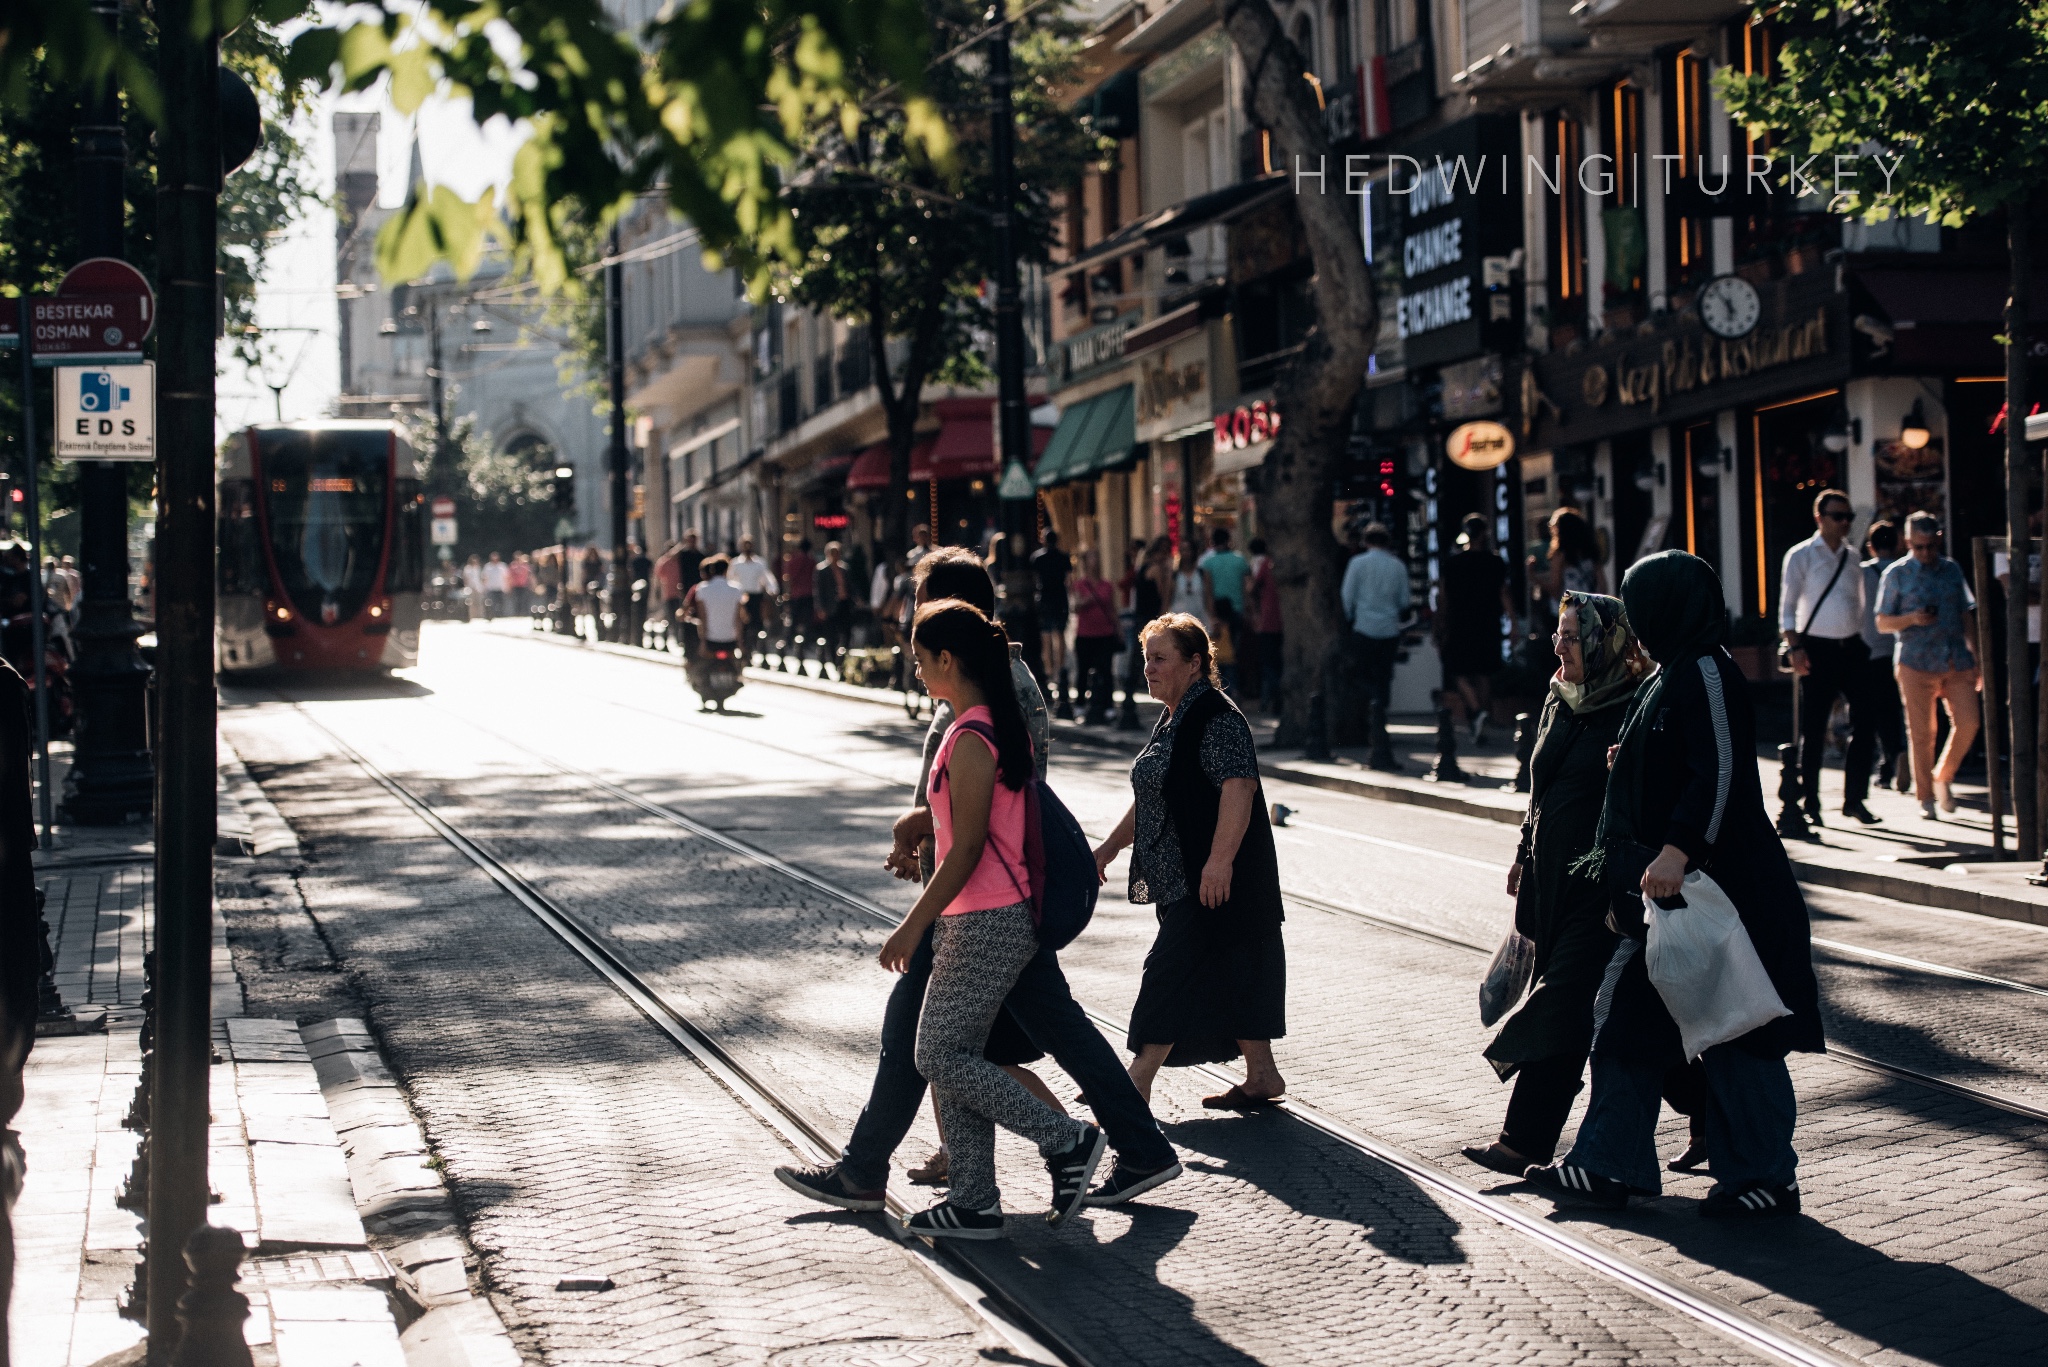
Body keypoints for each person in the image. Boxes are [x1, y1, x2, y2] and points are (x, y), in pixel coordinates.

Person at [776, 549, 1181, 1218]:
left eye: (921, 605)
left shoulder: (996, 692)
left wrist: (919, 907)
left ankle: (919, 1168)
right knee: (995, 1037)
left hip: (984, 898)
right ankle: (994, 1185)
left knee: (931, 1044)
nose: (911, 623)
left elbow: (985, 805)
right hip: (978, 896)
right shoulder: (985, 685)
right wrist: (920, 821)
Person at [1526, 551, 1823, 1218]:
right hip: (1669, 900)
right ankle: (1608, 1162)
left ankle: (1767, 1178)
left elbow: (1718, 772)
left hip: (1721, 895)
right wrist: (1629, 760)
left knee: (1738, 1029)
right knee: (1624, 1021)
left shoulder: (1709, 672)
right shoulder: (1671, 674)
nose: (1635, 620)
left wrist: (1678, 851)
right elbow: (1673, 756)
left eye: (1641, 605)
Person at [1463, 592, 1644, 1177]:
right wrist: (1522, 853)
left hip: (1599, 886)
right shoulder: (1558, 696)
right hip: (1548, 883)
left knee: (1562, 1000)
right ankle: (1709, 1112)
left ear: (1602, 643)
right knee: (1607, 1016)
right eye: (1558, 634)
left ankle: (1523, 1141)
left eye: (1572, 636)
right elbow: (1539, 793)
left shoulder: (1632, 705)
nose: (1560, 645)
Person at [1091, 614, 1288, 1110]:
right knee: (1232, 969)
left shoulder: (1217, 717)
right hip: (1186, 876)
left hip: (1213, 878)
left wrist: (1219, 864)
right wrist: (1111, 846)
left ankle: (1134, 1085)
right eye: (1145, 659)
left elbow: (1240, 790)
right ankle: (1262, 1075)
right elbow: (1155, 793)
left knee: (1168, 973)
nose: (1149, 669)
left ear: (1194, 663)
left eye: (1160, 659)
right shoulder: (1175, 715)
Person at [1875, 511, 1980, 820]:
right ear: (1908, 543)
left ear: (1939, 540)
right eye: (1919, 547)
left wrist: (1978, 659)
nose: (1925, 553)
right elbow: (1881, 622)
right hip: (1915, 661)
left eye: (1930, 547)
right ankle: (1926, 796)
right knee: (1922, 733)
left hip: (1956, 657)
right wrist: (1912, 619)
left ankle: (1943, 775)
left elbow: (1967, 613)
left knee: (1969, 722)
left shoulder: (1951, 569)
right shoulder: (1896, 574)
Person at [1779, 488, 1874, 825]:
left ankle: (1854, 798)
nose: (1845, 522)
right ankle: (1812, 802)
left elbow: (1859, 603)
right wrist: (1795, 648)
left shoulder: (1852, 557)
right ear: (1820, 518)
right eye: (1838, 516)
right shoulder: (1801, 555)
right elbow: (1787, 608)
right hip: (1815, 647)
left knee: (1865, 720)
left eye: (1848, 517)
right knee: (1814, 727)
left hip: (1849, 647)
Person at [1439, 513, 1513, 745]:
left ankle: (1477, 711)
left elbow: (1443, 597)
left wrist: (1439, 624)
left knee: (1459, 672)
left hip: (1460, 623)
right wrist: (1512, 623)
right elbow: (1503, 593)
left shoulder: (1453, 563)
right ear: (1484, 534)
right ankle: (1482, 714)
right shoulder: (1495, 562)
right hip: (1488, 623)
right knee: (1484, 673)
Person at [1340, 524, 1412, 747]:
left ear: (1365, 541)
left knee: (1362, 676)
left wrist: (1349, 617)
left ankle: (1368, 718)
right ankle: (1380, 716)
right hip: (1389, 629)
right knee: (1383, 676)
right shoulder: (1398, 566)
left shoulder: (1358, 564)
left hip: (1363, 627)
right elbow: (1404, 601)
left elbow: (1347, 596)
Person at [1859, 521, 1909, 793]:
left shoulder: (1863, 573)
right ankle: (1898, 756)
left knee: (1881, 712)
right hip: (1904, 649)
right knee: (1904, 710)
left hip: (1872, 651)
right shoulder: (1905, 571)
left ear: (1871, 547)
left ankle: (1890, 759)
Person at [1070, 549, 1120, 725]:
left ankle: (1109, 707)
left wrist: (1118, 629)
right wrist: (1089, 599)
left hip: (1105, 634)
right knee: (1083, 671)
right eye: (1092, 558)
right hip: (1085, 634)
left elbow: (1113, 609)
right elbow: (1075, 607)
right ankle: (1080, 706)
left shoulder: (1107, 585)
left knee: (1106, 671)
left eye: (1097, 558)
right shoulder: (1079, 585)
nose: (1095, 562)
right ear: (1085, 562)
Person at [1528, 507, 1605, 615]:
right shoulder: (1590, 552)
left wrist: (1533, 577)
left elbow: (1555, 591)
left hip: (1568, 614)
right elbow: (1603, 587)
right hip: (1590, 611)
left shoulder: (1560, 555)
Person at [1032, 530, 1073, 707]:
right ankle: (1060, 670)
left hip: (1045, 600)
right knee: (1060, 636)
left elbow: (1035, 580)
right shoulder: (1064, 558)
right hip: (1059, 599)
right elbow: (1069, 581)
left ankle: (1049, 671)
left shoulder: (1037, 558)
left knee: (1046, 638)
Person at [1246, 537, 1283, 715]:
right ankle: (1274, 699)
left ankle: (1273, 698)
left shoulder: (1263, 565)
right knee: (1275, 661)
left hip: (1267, 620)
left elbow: (1252, 589)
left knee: (1268, 662)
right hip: (1279, 620)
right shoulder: (1273, 564)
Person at [729, 535, 779, 665]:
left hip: (755, 598)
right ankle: (743, 650)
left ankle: (751, 649)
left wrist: (772, 590)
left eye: (749, 544)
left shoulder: (759, 563)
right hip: (740, 597)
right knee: (742, 625)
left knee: (756, 625)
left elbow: (767, 578)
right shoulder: (735, 563)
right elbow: (730, 580)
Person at [813, 541, 855, 679]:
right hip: (830, 607)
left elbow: (851, 587)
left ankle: (843, 658)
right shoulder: (821, 570)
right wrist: (820, 608)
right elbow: (818, 591)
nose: (835, 556)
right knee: (831, 635)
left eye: (837, 553)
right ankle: (833, 659)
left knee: (846, 633)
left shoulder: (845, 568)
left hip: (844, 605)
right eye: (832, 553)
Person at [1197, 527, 1250, 618]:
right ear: (1228, 540)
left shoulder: (1208, 563)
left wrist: (1210, 613)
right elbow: (1247, 587)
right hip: (1238, 608)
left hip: (1218, 609)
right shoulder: (1240, 560)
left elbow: (1208, 590)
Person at [782, 537, 816, 664]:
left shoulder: (793, 560)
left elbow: (788, 577)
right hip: (809, 594)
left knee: (793, 620)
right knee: (807, 620)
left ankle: (789, 643)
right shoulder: (812, 561)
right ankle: (806, 643)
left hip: (796, 594)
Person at [1168, 547, 1211, 626]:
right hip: (1178, 620)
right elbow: (1167, 599)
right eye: (1183, 550)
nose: (1186, 554)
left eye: (1188, 550)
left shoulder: (1201, 574)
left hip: (1200, 617)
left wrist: (1212, 617)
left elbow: (1208, 597)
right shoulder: (1174, 576)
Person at [508, 552, 534, 619]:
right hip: (515, 586)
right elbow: (510, 576)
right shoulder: (512, 566)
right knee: (516, 600)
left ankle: (524, 613)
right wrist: (509, 586)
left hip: (524, 585)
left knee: (524, 600)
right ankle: (517, 613)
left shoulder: (525, 566)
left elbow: (529, 575)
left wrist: (531, 584)